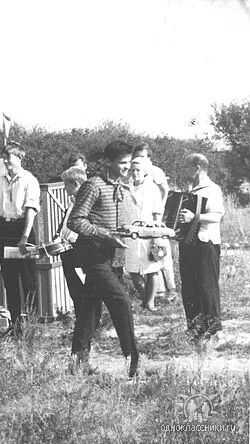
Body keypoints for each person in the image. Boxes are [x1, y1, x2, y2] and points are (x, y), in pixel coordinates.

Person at [68, 140, 139, 378]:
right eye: (122, 163)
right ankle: (134, 363)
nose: (126, 167)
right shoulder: (93, 185)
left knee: (90, 310)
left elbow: (116, 222)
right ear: (108, 162)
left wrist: (125, 231)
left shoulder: (122, 186)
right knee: (121, 301)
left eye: (129, 162)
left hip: (112, 255)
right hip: (92, 253)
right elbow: (75, 221)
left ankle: (77, 364)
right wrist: (106, 234)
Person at [0, 142, 40, 335]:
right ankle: (16, 324)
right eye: (4, 156)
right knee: (9, 280)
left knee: (28, 280)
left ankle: (32, 324)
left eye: (9, 156)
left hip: (23, 229)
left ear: (19, 158)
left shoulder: (29, 180)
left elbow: (30, 210)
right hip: (4, 230)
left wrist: (25, 237)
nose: (5, 160)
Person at [178, 153, 224, 341]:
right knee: (189, 287)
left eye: (186, 166)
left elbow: (217, 216)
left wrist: (194, 217)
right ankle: (195, 328)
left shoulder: (212, 189)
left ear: (197, 167)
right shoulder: (192, 188)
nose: (183, 170)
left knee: (206, 287)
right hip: (189, 243)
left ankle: (213, 329)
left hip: (206, 243)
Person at [132, 143, 177, 301]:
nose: (139, 159)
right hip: (142, 219)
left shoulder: (155, 171)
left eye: (143, 156)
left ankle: (171, 289)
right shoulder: (133, 172)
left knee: (161, 251)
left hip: (155, 216)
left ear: (149, 158)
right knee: (149, 256)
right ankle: (158, 292)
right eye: (137, 155)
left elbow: (164, 190)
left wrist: (160, 210)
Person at [59, 166, 102, 327]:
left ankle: (90, 324)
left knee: (87, 290)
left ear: (75, 183)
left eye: (66, 185)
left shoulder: (86, 201)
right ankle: (83, 321)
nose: (64, 188)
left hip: (81, 248)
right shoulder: (73, 201)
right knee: (75, 289)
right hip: (69, 248)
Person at [123, 157, 165, 312]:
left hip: (149, 232)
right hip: (131, 234)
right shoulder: (125, 188)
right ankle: (145, 298)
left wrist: (156, 235)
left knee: (152, 268)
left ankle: (150, 302)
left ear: (145, 171)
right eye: (132, 170)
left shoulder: (152, 188)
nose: (135, 173)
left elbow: (157, 211)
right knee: (133, 270)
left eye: (138, 170)